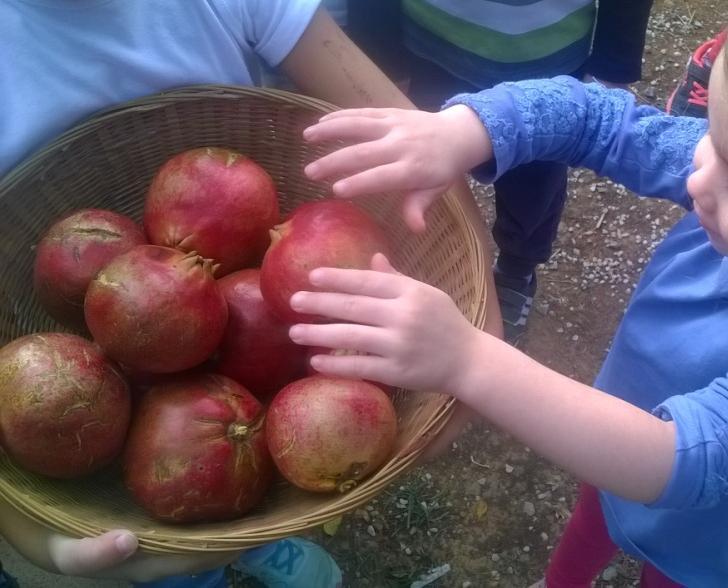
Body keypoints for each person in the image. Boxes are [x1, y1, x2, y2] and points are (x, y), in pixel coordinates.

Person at [1, 0, 503, 585]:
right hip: (142, 440)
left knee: (227, 484)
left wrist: (482, 306)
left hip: (252, 377)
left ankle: (252, 545)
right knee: (178, 553)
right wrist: (37, 539)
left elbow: (412, 139)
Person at [287, 28, 728, 586]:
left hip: (700, 544)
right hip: (615, 436)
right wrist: (464, 129)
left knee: (663, 568)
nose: (697, 176)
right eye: (714, 139)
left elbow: (677, 463)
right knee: (596, 512)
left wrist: (468, 358)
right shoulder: (710, 173)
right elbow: (597, 119)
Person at [389, 0, 653, 344]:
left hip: (545, 65)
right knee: (422, 171)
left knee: (534, 187)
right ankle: (432, 256)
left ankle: (517, 268)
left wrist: (612, 66)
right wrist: (379, 44)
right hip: (428, 47)